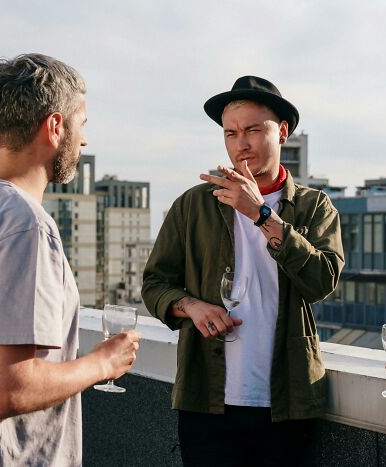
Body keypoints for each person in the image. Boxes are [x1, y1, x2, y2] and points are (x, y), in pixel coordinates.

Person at [0, 53, 141, 467]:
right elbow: (7, 390)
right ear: (55, 127)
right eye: (82, 124)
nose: (84, 141)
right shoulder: (25, 225)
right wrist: (103, 362)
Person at [142, 75, 344, 466]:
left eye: (253, 130)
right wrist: (191, 306)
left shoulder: (314, 206)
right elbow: (154, 284)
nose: (241, 144)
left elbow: (322, 281)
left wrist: (262, 214)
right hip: (207, 401)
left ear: (282, 132)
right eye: (231, 133)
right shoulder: (193, 205)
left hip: (288, 403)